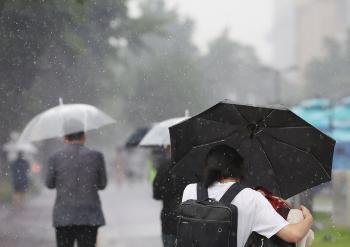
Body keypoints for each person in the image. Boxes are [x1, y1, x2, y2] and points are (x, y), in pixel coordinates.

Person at [182, 145, 313, 247]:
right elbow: (294, 234)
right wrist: (308, 218)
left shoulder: (190, 190)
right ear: (238, 168)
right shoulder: (251, 197)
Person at [46, 120, 107, 247]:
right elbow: (102, 184)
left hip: (63, 216)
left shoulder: (55, 157)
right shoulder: (96, 156)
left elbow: (49, 184)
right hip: (89, 216)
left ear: (65, 137)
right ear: (84, 136)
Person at [153, 145, 189, 247]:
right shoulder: (191, 167)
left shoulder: (164, 166)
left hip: (168, 220)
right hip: (188, 220)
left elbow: (156, 194)